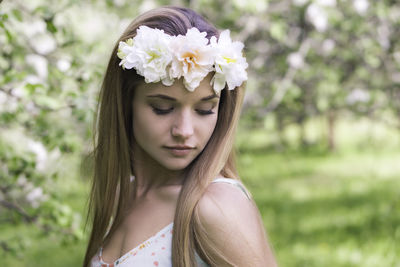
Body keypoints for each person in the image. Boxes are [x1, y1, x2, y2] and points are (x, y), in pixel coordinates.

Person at [83, 6, 277, 267]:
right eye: (163, 108)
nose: (184, 131)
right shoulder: (121, 194)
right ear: (125, 103)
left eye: (204, 110)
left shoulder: (214, 208)